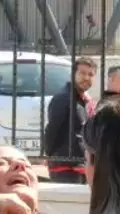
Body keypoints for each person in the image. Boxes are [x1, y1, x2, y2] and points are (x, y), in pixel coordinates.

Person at [44, 57, 97, 185]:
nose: (86, 78)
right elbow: (51, 131)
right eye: (82, 73)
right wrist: (52, 157)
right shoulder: (63, 98)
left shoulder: (84, 100)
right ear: (73, 74)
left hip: (81, 165)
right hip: (65, 168)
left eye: (90, 74)